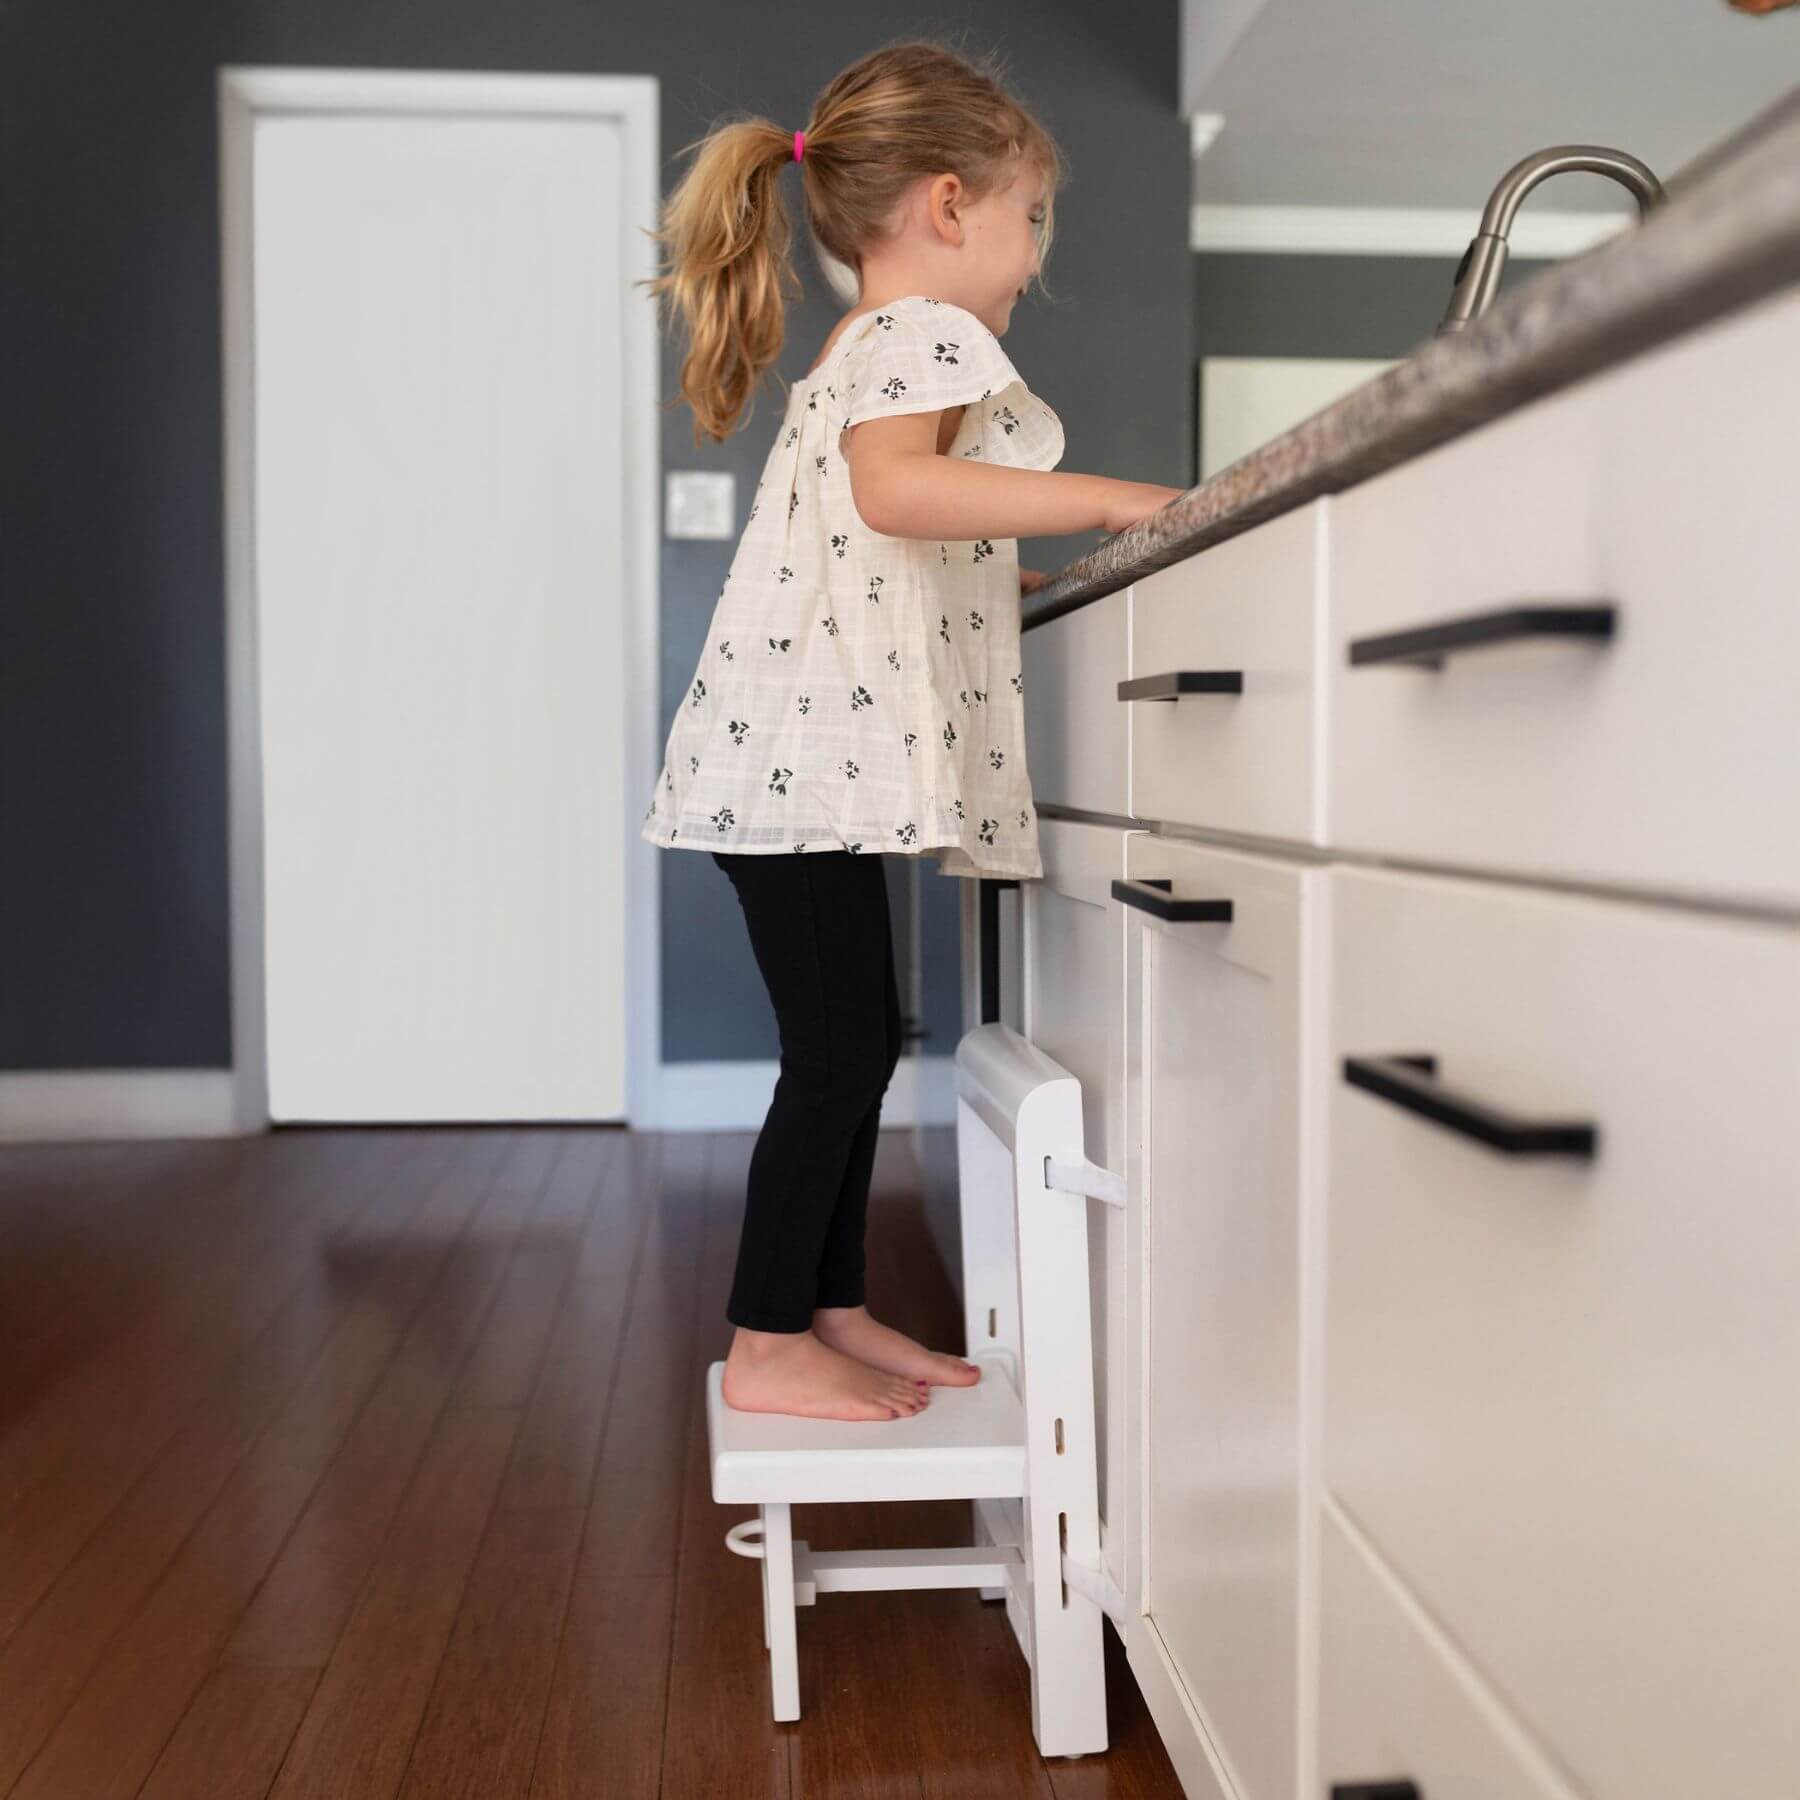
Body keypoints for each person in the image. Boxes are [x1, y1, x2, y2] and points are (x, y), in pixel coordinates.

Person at [637, 38, 1185, 1423]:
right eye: (1030, 218)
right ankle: (767, 1344)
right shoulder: (930, 334)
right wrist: (1113, 500)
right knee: (838, 1056)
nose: (1033, 257)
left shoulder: (863, 341)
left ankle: (827, 1307)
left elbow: (871, 532)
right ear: (950, 204)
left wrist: (1005, 570)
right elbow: (895, 494)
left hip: (785, 761)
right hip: (799, 769)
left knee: (855, 1044)